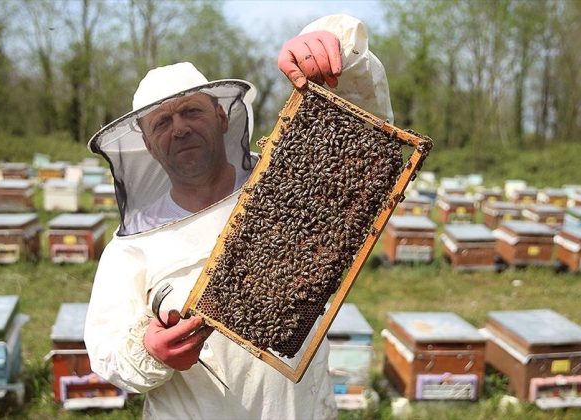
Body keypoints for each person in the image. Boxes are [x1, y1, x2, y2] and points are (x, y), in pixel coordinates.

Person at [84, 14, 393, 419]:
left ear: (222, 116)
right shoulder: (131, 248)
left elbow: (361, 130)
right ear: (147, 143)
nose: (179, 129)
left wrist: (334, 47)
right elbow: (107, 354)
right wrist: (149, 352)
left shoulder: (286, 187)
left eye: (191, 112)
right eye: (162, 121)